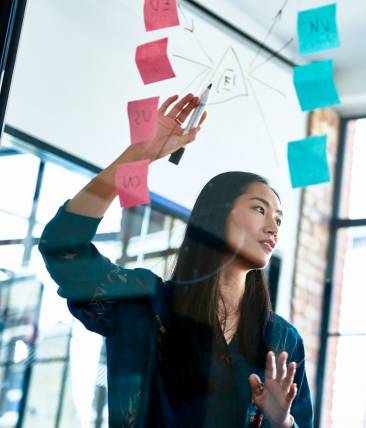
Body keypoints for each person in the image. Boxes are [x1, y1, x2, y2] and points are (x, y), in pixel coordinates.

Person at [39, 94, 313, 427]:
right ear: (216, 216)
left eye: (279, 219)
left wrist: (281, 421)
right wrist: (135, 157)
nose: (273, 226)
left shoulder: (282, 340)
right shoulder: (145, 302)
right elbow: (63, 248)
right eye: (259, 209)